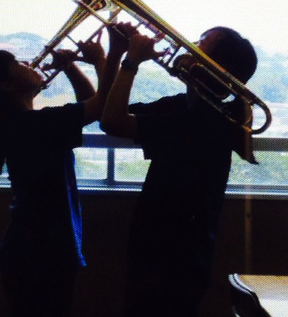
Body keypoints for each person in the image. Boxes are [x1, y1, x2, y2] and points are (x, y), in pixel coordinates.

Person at [0, 24, 131, 317]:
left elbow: (90, 103)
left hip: (33, 248)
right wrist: (109, 55)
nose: (28, 63)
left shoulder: (20, 123)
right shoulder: (32, 125)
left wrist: (71, 67)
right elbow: (100, 106)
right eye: (17, 64)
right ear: (7, 85)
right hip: (41, 252)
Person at [100, 26, 259, 317]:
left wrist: (131, 62)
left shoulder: (203, 120)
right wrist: (115, 53)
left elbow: (112, 122)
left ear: (215, 66)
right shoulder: (183, 107)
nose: (188, 45)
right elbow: (109, 108)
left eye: (201, 43)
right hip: (163, 254)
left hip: (170, 263)